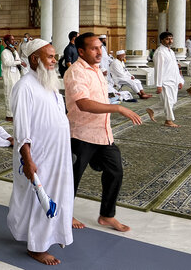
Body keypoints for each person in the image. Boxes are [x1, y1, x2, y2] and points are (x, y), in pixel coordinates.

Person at [64, 33, 142, 232]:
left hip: (102, 133)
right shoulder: (76, 72)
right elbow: (83, 103)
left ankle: (107, 215)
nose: (100, 52)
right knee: (71, 177)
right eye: (94, 48)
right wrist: (118, 109)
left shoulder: (97, 69)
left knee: (115, 171)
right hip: (81, 134)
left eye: (100, 47)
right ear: (81, 51)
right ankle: (64, 214)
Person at [7, 39, 73, 266]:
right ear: (35, 59)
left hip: (56, 155)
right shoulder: (24, 86)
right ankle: (36, 247)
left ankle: (52, 234)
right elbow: (22, 130)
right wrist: (28, 161)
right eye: (51, 57)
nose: (55, 60)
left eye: (55, 56)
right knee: (38, 200)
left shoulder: (48, 82)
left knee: (54, 196)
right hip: (38, 157)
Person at [146, 32, 184, 128]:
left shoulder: (170, 51)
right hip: (165, 81)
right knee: (168, 102)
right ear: (162, 40)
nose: (170, 41)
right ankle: (168, 120)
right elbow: (159, 69)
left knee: (172, 101)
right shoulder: (160, 52)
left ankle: (152, 109)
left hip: (173, 80)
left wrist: (180, 80)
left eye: (171, 38)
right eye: (167, 39)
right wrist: (158, 84)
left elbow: (175, 67)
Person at [1, 34, 24, 121]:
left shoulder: (14, 51)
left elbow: (17, 59)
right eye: (12, 40)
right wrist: (18, 62)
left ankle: (15, 113)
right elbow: (7, 63)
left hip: (16, 75)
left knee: (16, 95)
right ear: (7, 42)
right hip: (9, 76)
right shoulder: (4, 52)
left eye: (14, 39)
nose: (14, 41)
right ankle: (9, 115)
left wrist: (14, 52)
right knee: (9, 94)